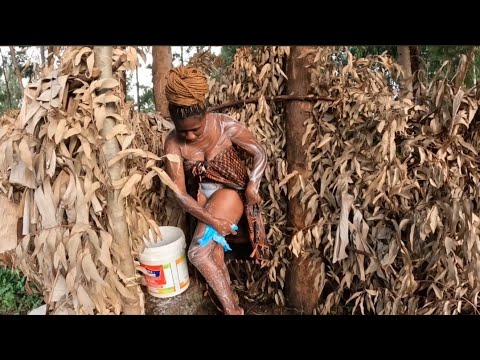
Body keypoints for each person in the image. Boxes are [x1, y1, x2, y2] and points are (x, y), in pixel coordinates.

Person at [163, 65, 269, 315]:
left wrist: (254, 182)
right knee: (215, 256)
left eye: (195, 129)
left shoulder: (224, 126)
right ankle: (234, 306)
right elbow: (179, 194)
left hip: (229, 193)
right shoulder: (172, 143)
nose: (189, 136)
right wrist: (211, 220)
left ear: (206, 114)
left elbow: (259, 152)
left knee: (198, 252)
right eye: (182, 130)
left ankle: (232, 311)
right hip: (203, 203)